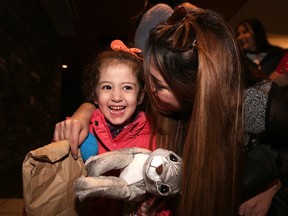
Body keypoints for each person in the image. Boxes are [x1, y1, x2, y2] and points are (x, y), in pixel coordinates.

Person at [54, 7, 288, 216]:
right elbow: (109, 97)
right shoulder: (160, 98)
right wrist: (83, 112)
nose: (148, 90)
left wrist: (272, 182)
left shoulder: (260, 103)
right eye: (148, 80)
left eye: (159, 85)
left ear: (193, 91)